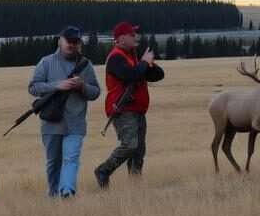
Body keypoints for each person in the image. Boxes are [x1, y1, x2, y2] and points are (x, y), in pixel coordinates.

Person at [27, 26, 101, 197]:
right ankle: (53, 196)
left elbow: (95, 92)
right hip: (51, 122)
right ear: (60, 41)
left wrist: (82, 86)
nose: (72, 45)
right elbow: (33, 87)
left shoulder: (85, 65)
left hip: (76, 123)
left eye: (75, 42)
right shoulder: (46, 62)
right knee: (53, 162)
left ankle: (67, 192)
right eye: (69, 41)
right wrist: (57, 86)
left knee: (71, 158)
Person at [93, 21, 164, 188]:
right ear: (121, 38)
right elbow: (130, 75)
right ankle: (103, 170)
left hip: (138, 110)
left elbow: (159, 75)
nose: (135, 37)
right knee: (130, 145)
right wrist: (144, 63)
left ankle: (135, 185)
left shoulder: (134, 58)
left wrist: (149, 64)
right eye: (132, 34)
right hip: (123, 110)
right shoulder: (116, 58)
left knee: (139, 151)